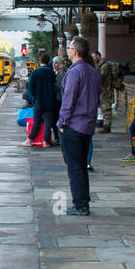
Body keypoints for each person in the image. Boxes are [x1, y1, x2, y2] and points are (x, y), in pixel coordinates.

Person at [57, 36, 101, 216]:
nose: (67, 50)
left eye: (69, 48)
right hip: (87, 126)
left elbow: (68, 100)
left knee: (74, 167)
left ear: (75, 51)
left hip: (73, 126)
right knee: (82, 165)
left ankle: (80, 205)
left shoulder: (75, 73)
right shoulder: (93, 72)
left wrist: (62, 123)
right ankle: (83, 201)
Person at [24, 52, 58, 146]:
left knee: (36, 121)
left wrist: (34, 99)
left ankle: (29, 141)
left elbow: (30, 89)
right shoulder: (51, 73)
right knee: (48, 122)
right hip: (50, 101)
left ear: (40, 61)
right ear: (48, 62)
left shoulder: (35, 72)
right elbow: (54, 87)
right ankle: (45, 142)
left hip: (38, 102)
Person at [97, 52, 123, 134]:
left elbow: (101, 77)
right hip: (104, 90)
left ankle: (107, 126)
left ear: (98, 56)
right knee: (104, 107)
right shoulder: (101, 65)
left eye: (94, 57)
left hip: (106, 90)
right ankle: (105, 125)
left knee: (106, 108)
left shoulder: (104, 66)